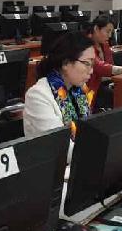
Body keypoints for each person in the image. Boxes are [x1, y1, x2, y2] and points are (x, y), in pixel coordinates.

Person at [23, 32, 95, 162]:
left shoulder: (79, 91)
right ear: (66, 63)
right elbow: (60, 147)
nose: (91, 71)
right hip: (49, 167)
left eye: (92, 64)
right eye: (87, 63)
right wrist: (99, 151)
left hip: (76, 162)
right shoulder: (38, 95)